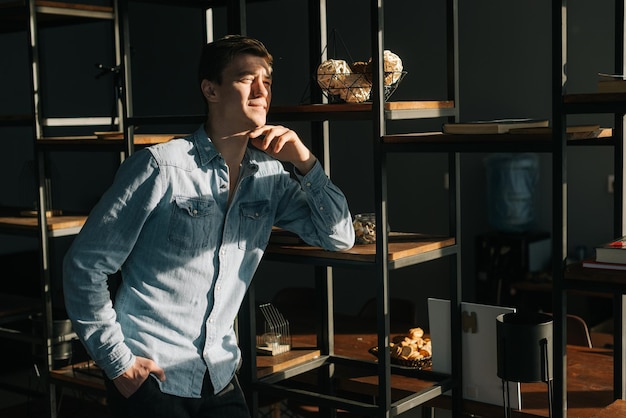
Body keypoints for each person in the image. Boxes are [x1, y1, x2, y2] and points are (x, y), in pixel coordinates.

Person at [63, 35, 354, 418]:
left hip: (218, 374)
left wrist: (305, 161)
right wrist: (118, 363)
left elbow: (339, 237)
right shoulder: (161, 167)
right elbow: (84, 267)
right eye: (246, 78)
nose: (261, 90)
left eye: (267, 81)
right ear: (210, 89)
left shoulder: (270, 176)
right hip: (151, 376)